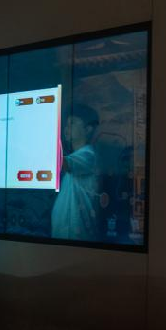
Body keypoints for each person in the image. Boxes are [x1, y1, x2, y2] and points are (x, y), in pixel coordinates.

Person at [51, 103, 100, 241]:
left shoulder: (88, 155)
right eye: (66, 124)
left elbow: (63, 163)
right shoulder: (76, 156)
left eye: (72, 123)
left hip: (76, 239)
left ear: (87, 129)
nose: (66, 128)